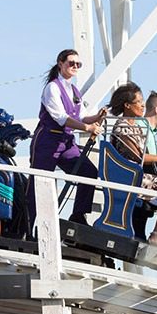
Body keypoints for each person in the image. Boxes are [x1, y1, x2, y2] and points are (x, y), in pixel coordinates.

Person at [26, 49, 106, 227]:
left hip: (66, 141)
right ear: (60, 63)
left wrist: (97, 117)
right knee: (39, 183)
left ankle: (78, 214)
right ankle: (27, 226)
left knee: (89, 172)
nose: (75, 67)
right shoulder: (53, 87)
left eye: (78, 64)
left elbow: (82, 116)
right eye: (71, 63)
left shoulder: (74, 90)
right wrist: (88, 127)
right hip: (48, 140)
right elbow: (61, 118)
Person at [108, 84, 157, 247]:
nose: (143, 106)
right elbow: (139, 157)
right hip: (131, 178)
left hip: (138, 176)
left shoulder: (135, 127)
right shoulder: (123, 126)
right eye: (139, 102)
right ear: (127, 105)